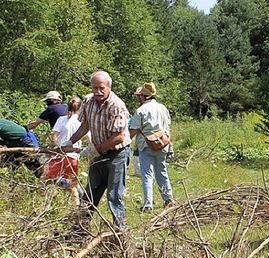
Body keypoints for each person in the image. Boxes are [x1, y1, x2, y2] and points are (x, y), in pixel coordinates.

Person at [67, 70, 131, 230]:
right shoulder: (88, 101)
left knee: (114, 195)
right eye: (95, 88)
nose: (98, 91)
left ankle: (120, 233)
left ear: (108, 87)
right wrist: (68, 142)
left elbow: (119, 137)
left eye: (101, 88)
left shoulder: (116, 106)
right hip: (98, 153)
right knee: (90, 192)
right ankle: (79, 231)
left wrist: (96, 149)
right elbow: (84, 126)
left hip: (117, 154)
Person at [129, 82, 174, 211]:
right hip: (162, 144)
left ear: (143, 96)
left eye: (139, 96)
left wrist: (125, 142)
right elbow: (167, 126)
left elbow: (134, 130)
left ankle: (148, 204)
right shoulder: (163, 108)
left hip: (146, 145)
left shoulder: (141, 110)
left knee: (147, 174)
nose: (139, 98)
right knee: (162, 171)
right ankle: (168, 199)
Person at [43, 96, 90, 206]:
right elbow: (90, 139)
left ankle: (46, 204)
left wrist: (56, 146)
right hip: (73, 156)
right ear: (81, 108)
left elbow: (54, 137)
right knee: (72, 185)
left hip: (59, 155)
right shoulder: (82, 123)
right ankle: (77, 207)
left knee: (47, 179)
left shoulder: (61, 119)